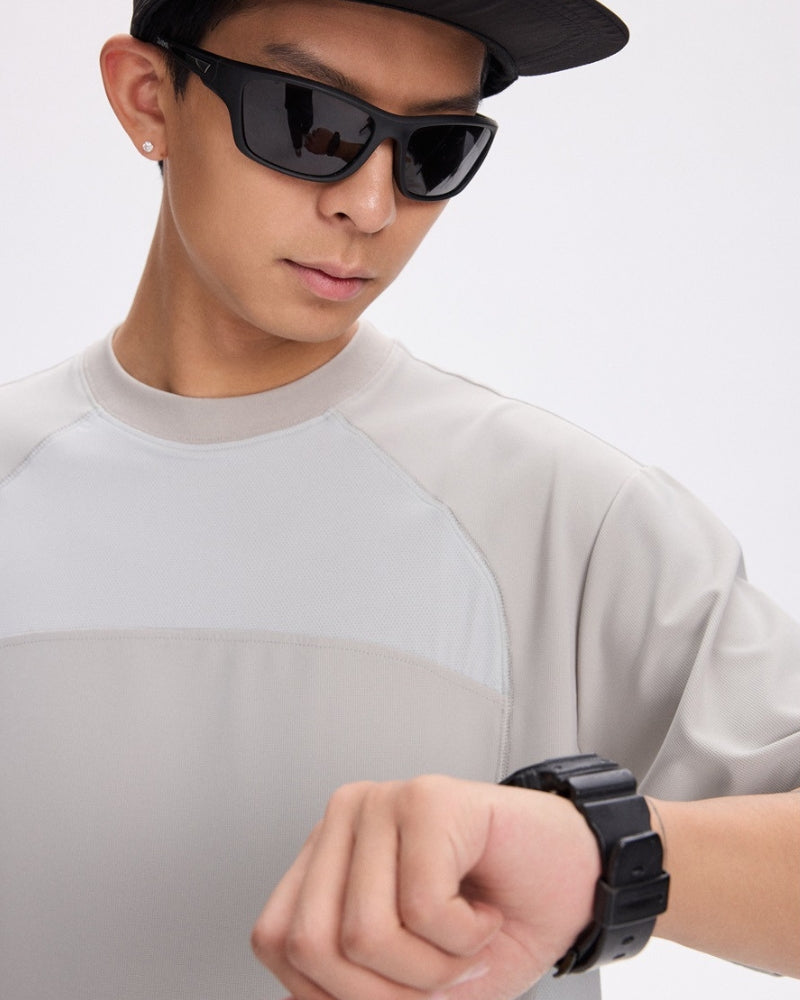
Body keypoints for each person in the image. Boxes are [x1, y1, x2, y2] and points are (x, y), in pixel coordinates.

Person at [0, 2, 797, 999]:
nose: (371, 204)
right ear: (147, 98)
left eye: (432, 148)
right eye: (309, 121)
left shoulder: (564, 514)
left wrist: (600, 850)